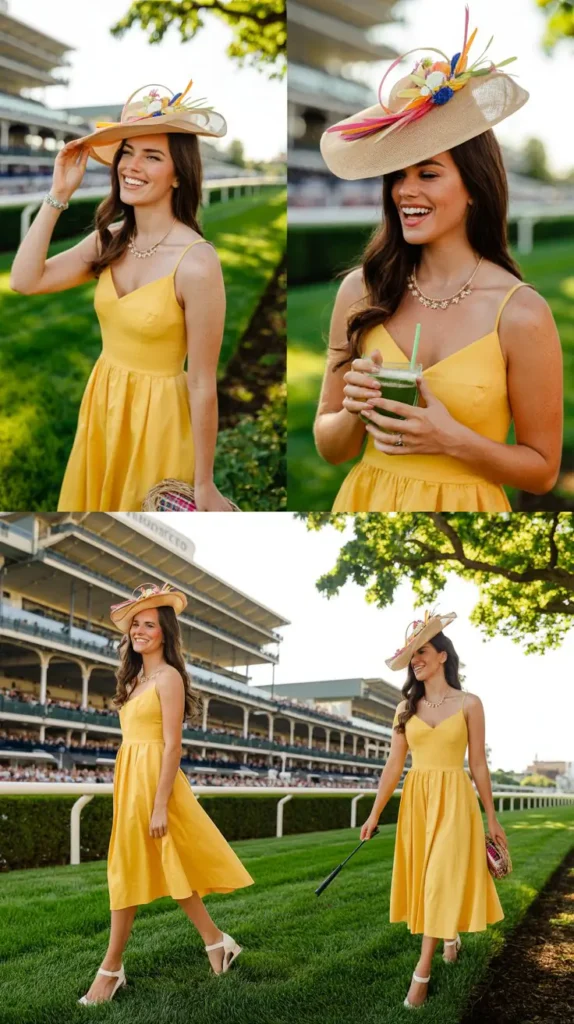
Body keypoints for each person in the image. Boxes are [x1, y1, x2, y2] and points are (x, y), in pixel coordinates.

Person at [315, 8, 563, 511]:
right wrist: (352, 410)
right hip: (364, 502)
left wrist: (450, 438)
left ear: (474, 186)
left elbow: (543, 471)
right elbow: (331, 446)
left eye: (428, 174)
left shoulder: (521, 313)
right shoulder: (359, 292)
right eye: (397, 176)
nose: (405, 190)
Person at [10, 81, 234, 512]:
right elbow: (25, 280)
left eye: (152, 156)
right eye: (127, 152)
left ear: (178, 175)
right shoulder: (109, 240)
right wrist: (58, 195)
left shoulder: (197, 263)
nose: (132, 166)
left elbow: (204, 382)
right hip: (104, 403)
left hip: (160, 421)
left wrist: (203, 484)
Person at [78, 582, 254, 1006]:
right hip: (131, 777)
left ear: (165, 634)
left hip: (157, 781)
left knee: (137, 868)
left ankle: (110, 970)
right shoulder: (136, 677)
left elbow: (173, 744)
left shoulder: (169, 677)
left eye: (149, 625)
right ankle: (216, 942)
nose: (140, 631)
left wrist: (159, 804)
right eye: (135, 624)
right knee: (147, 867)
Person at [360, 610, 507, 1010]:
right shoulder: (405, 708)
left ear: (442, 654)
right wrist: (374, 814)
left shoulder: (471, 704)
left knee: (441, 876)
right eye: (411, 657)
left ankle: (421, 975)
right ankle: (449, 936)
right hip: (417, 801)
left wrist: (491, 816)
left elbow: (478, 764)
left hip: (456, 800)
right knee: (428, 879)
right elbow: (394, 764)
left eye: (422, 651)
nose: (416, 661)